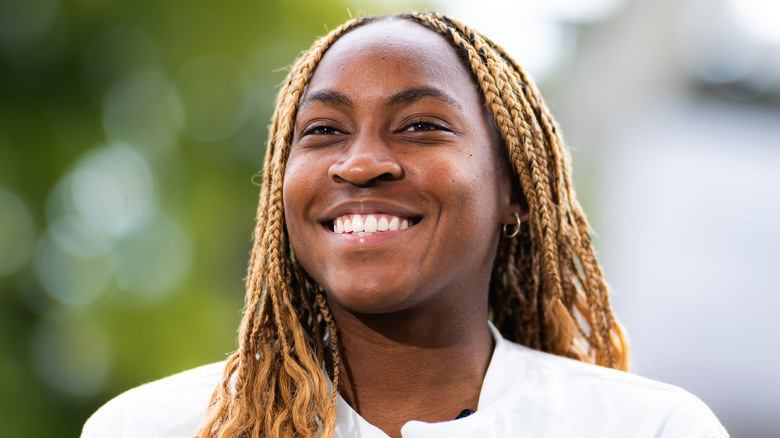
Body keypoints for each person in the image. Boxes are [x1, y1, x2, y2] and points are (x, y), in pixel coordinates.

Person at [81, 11, 728, 438]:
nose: (360, 163)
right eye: (324, 132)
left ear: (516, 190)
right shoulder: (153, 427)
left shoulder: (646, 428)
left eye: (421, 126)